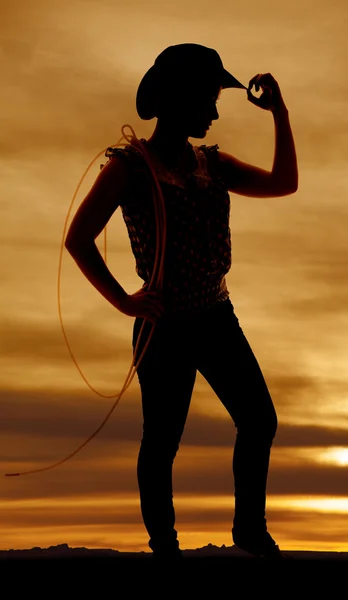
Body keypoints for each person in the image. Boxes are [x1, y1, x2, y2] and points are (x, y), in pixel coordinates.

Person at [64, 43, 298, 558]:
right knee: (163, 437)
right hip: (164, 323)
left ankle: (250, 530)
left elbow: (284, 184)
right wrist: (126, 301)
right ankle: (164, 543)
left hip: (216, 314)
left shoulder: (211, 164)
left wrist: (280, 113)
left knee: (259, 419)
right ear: (179, 99)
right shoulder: (129, 167)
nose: (215, 113)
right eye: (208, 100)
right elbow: (79, 238)